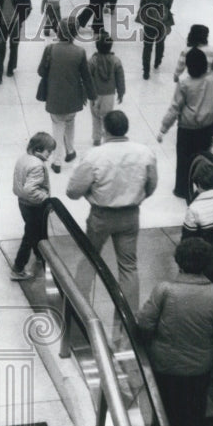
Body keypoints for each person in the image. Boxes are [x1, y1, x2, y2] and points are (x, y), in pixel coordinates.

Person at [136, 238, 213, 426]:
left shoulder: (164, 290)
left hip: (164, 364)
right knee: (194, 410)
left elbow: (144, 322)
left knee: (166, 405)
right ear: (208, 264)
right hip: (200, 367)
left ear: (178, 261)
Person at [67, 110, 158, 313]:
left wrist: (91, 195)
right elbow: (152, 185)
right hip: (131, 215)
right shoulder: (145, 152)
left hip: (101, 216)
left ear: (105, 129)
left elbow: (73, 191)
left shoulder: (94, 156)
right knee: (128, 266)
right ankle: (129, 318)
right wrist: (138, 198)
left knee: (90, 259)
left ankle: (79, 306)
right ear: (126, 128)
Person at [158, 48, 213, 199]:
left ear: (188, 66)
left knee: (184, 160)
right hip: (207, 128)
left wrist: (163, 129)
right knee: (203, 158)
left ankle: (182, 189)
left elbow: (175, 108)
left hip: (187, 129)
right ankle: (203, 187)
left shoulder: (184, 84)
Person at [41, 17, 95, 174]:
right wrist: (92, 96)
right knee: (70, 122)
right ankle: (70, 151)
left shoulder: (50, 49)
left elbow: (41, 71)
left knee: (58, 126)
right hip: (73, 98)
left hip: (55, 97)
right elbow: (87, 77)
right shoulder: (80, 52)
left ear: (59, 31)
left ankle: (57, 161)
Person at [10, 132, 56, 280]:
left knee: (35, 231)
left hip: (23, 203)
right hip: (34, 206)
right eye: (49, 151)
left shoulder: (24, 159)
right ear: (38, 149)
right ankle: (18, 268)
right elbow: (30, 190)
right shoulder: (37, 165)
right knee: (30, 235)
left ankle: (39, 254)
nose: (50, 155)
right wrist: (45, 199)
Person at [87, 33, 126, 147]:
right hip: (109, 94)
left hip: (95, 94)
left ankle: (96, 138)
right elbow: (120, 78)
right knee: (107, 117)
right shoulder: (116, 61)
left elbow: (87, 78)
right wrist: (121, 92)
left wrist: (86, 92)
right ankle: (107, 137)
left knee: (95, 116)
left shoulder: (92, 61)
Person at [138, 0, 174, 79]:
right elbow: (169, 5)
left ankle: (146, 71)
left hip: (149, 20)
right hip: (163, 21)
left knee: (147, 45)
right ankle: (157, 61)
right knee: (160, 42)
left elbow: (142, 3)